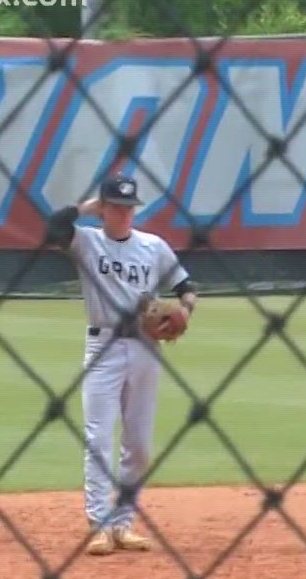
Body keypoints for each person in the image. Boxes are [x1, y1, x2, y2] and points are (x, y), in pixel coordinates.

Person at [44, 174, 198, 557]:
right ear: (104, 208)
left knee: (139, 444)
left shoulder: (153, 246)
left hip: (146, 349)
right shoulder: (86, 242)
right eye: (117, 206)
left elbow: (186, 288)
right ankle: (99, 525)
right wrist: (86, 208)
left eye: (130, 207)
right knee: (98, 438)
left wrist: (185, 311)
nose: (125, 213)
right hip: (104, 347)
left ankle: (123, 523)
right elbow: (54, 227)